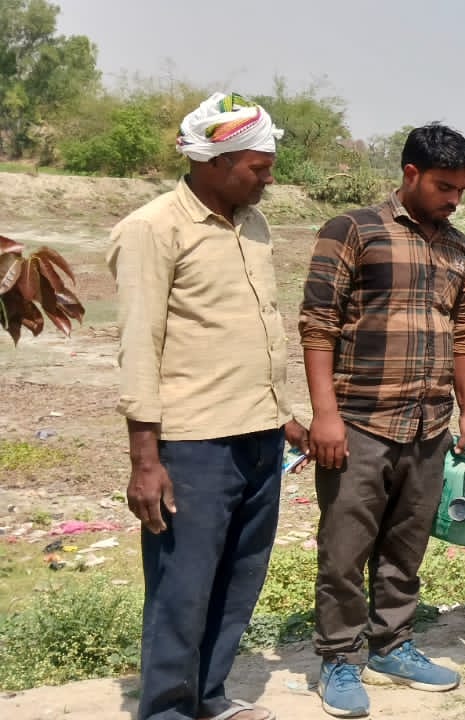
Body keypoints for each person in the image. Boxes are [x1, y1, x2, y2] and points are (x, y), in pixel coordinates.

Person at [109, 91, 304, 720]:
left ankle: (208, 697)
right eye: (258, 167)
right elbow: (140, 347)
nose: (268, 179)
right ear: (214, 162)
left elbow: (254, 328)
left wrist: (284, 415)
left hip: (260, 435)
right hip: (194, 444)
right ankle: (167, 709)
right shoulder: (152, 229)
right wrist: (146, 461)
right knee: (182, 588)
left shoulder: (253, 224)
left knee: (240, 577)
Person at [299, 124, 465, 717]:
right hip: (360, 421)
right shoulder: (352, 230)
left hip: (429, 425)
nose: (454, 200)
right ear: (410, 174)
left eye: (461, 189)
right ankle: (340, 658)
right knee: (344, 550)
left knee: (406, 546)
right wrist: (325, 415)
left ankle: (392, 645)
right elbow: (318, 323)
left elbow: (463, 332)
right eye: (444, 187)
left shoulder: (459, 249)